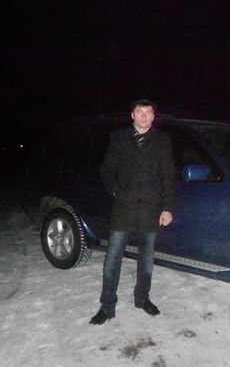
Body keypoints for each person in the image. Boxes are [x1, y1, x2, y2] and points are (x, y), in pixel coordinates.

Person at [90, 99, 175, 325]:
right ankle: (107, 306)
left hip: (151, 208)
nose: (144, 116)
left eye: (148, 112)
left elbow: (168, 176)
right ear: (132, 115)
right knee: (113, 257)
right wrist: (115, 190)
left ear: (153, 117)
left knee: (146, 258)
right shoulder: (118, 137)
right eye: (140, 112)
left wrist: (167, 208)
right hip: (124, 207)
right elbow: (106, 169)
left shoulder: (163, 140)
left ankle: (142, 299)